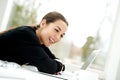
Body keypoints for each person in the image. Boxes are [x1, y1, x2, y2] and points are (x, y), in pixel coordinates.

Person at [0, 11, 68, 74]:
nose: (57, 37)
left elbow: (53, 59)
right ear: (43, 24)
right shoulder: (26, 35)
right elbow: (48, 66)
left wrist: (59, 66)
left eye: (61, 35)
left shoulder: (39, 42)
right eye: (56, 30)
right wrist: (60, 67)